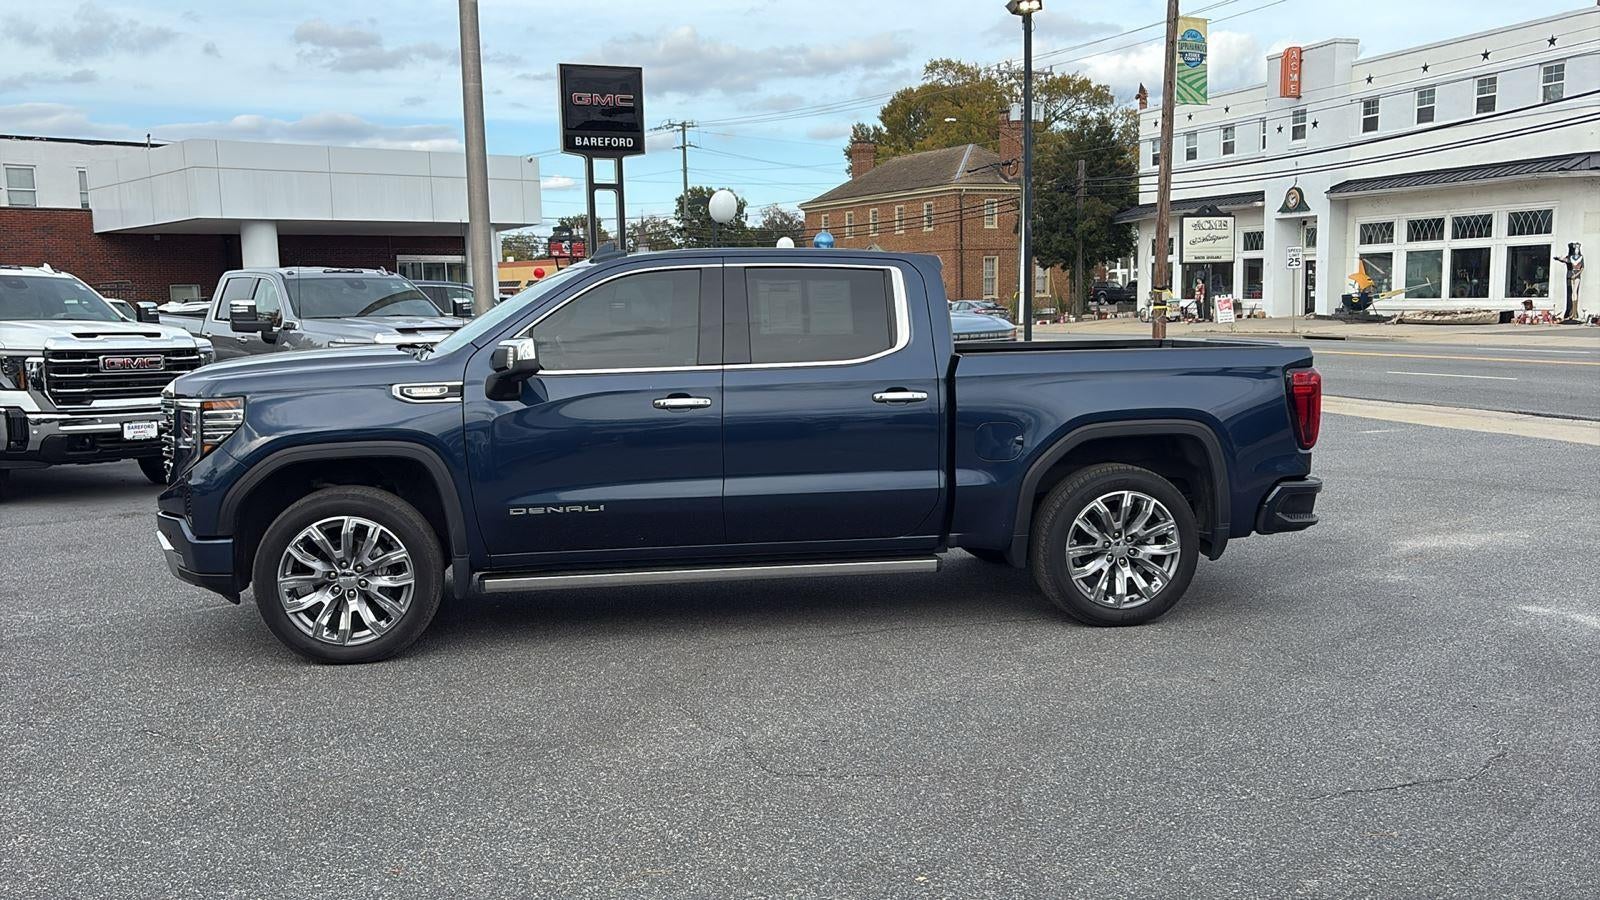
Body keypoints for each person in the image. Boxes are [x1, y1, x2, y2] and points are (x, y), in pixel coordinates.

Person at [1556, 243, 1584, 323]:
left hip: (1575, 275)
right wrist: (1559, 258)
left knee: (1574, 292)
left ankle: (1574, 312)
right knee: (1570, 293)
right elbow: (1565, 260)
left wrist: (1576, 274)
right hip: (1570, 275)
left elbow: (1581, 267)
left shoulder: (1578, 257)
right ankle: (1570, 311)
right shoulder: (1570, 257)